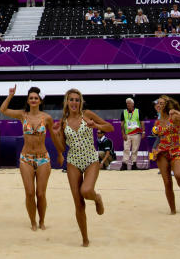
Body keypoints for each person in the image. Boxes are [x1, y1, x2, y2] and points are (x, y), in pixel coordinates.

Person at [53, 89, 112, 247]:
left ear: (81, 102)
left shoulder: (88, 114)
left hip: (91, 158)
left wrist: (96, 125)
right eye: (71, 100)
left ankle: (97, 198)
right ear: (67, 101)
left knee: (86, 191)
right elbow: (61, 147)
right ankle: (85, 239)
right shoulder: (63, 121)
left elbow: (109, 128)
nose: (74, 103)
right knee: (78, 202)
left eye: (77, 100)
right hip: (73, 161)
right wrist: (54, 134)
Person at [0, 86, 59, 231]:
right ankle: (33, 221)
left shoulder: (47, 118)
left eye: (36, 98)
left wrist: (60, 153)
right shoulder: (22, 115)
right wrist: (10, 96)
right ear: (28, 100)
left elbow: (54, 136)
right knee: (29, 193)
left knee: (41, 193)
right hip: (26, 158)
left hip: (43, 158)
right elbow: (3, 110)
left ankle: (42, 221)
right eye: (31, 98)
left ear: (40, 101)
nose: (33, 100)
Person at [151, 96, 180, 214]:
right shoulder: (158, 121)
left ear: (166, 105)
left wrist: (176, 111)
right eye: (158, 103)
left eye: (161, 103)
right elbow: (156, 134)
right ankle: (173, 211)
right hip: (162, 152)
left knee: (178, 174)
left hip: (175, 150)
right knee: (167, 182)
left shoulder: (174, 117)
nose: (158, 105)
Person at [120, 97, 142, 170]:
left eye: (129, 103)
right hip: (127, 134)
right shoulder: (124, 112)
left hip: (136, 133)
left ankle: (134, 164)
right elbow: (122, 124)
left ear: (133, 104)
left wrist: (144, 131)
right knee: (126, 149)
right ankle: (124, 164)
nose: (128, 105)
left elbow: (142, 122)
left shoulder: (138, 111)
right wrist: (123, 134)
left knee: (134, 149)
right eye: (127, 103)